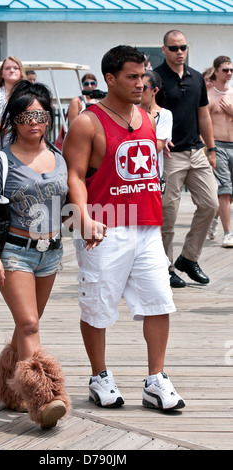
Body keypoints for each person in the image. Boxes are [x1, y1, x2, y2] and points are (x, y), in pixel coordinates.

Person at [63, 45, 185, 412]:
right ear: (110, 79)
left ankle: (155, 379)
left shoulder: (146, 117)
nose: (140, 83)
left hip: (147, 226)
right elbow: (74, 175)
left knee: (159, 302)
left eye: (142, 75)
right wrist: (82, 218)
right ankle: (99, 375)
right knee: (96, 307)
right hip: (104, 228)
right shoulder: (88, 121)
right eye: (131, 76)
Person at [0, 80, 70, 429]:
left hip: (51, 253)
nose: (34, 122)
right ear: (13, 119)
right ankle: (45, 398)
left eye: (40, 115)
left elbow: (65, 203)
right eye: (25, 115)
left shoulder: (59, 157)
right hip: (16, 252)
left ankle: (7, 386)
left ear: (49, 117)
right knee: (30, 324)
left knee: (26, 324)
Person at [155, 30, 219, 288]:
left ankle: (188, 258)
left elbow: (204, 115)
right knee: (167, 214)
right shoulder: (156, 78)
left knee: (210, 203)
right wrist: (158, 138)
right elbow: (148, 111)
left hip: (196, 151)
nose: (179, 52)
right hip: (170, 155)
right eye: (174, 48)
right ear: (164, 50)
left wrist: (212, 149)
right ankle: (165, 266)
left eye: (183, 47)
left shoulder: (196, 78)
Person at [207, 55, 233, 247]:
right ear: (216, 71)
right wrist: (210, 149)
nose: (229, 73)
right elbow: (202, 125)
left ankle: (215, 218)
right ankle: (228, 233)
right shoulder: (208, 96)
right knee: (225, 189)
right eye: (225, 70)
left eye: (231, 70)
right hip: (219, 146)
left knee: (230, 193)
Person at [139, 70, 173, 188]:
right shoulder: (129, 111)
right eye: (136, 86)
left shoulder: (164, 115)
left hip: (152, 177)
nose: (138, 90)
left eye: (143, 88)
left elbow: (157, 147)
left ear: (155, 90)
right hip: (129, 175)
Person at [54, 74, 99, 150]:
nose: (90, 86)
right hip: (80, 138)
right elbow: (73, 123)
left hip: (95, 137)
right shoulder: (76, 101)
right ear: (82, 86)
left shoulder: (98, 102)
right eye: (86, 84)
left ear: (96, 85)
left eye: (92, 83)